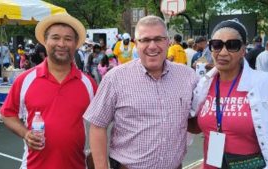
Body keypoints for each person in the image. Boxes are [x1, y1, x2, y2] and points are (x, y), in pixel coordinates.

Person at [83, 15, 197, 169]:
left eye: (158, 39)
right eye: (145, 40)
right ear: (136, 44)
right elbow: (97, 126)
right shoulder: (115, 78)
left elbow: (195, 121)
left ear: (167, 42)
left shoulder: (188, 76)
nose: (152, 46)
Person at [189, 19, 268, 169]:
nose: (223, 52)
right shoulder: (204, 84)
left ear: (243, 50)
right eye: (217, 45)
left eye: (232, 45)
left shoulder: (263, 83)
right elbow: (195, 124)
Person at [0, 14, 97, 169]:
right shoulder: (25, 79)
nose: (61, 44)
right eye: (55, 37)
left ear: (76, 44)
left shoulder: (89, 84)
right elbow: (6, 114)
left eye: (68, 39)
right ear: (45, 41)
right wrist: (25, 133)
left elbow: (99, 128)